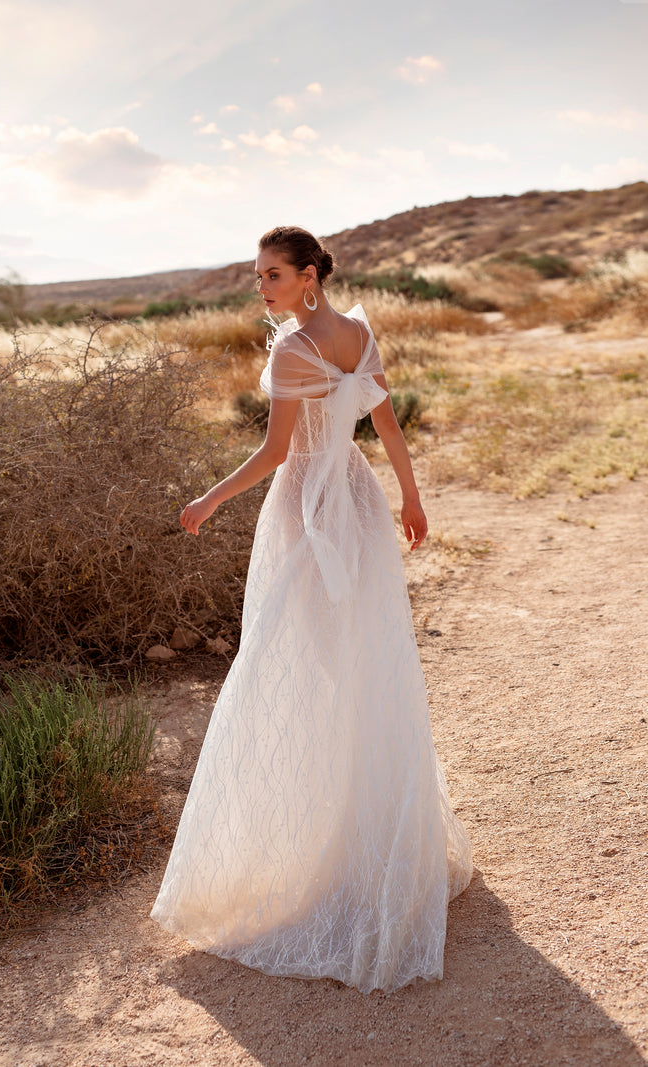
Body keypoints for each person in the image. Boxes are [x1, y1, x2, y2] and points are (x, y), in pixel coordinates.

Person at [150, 226, 472, 993]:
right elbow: (386, 424)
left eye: (272, 275)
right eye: (257, 276)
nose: (260, 287)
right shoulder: (357, 332)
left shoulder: (291, 350)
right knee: (359, 660)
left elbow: (274, 455)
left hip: (309, 510)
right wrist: (411, 498)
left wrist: (210, 498)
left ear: (307, 278)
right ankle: (365, 837)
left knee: (300, 664)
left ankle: (342, 848)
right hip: (358, 501)